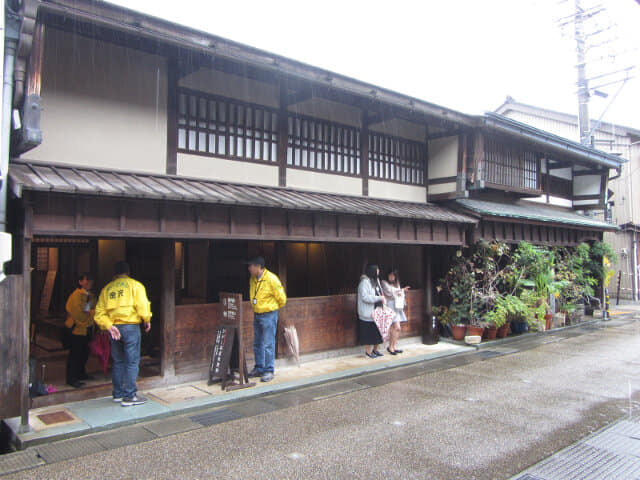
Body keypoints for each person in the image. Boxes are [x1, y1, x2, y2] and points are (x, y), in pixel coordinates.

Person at [94, 261, 152, 406]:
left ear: (115, 274)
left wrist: (108, 325)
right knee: (132, 362)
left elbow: (99, 313)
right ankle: (130, 396)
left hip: (114, 329)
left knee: (118, 362)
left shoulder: (107, 289)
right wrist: (147, 319)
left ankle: (117, 394)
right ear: (128, 272)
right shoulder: (135, 285)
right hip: (131, 327)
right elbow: (142, 305)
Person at [246, 256, 287, 383]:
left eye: (251, 266)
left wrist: (272, 309)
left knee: (269, 343)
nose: (249, 268)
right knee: (257, 343)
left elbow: (282, 299)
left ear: (258, 267)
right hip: (257, 314)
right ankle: (259, 367)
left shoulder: (271, 279)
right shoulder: (253, 279)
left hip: (269, 314)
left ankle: (269, 370)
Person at [65, 273, 96, 388]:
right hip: (77, 329)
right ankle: (72, 378)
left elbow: (95, 310)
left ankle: (81, 373)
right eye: (86, 280)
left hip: (87, 328)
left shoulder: (91, 296)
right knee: (75, 354)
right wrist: (90, 316)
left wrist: (90, 314)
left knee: (84, 352)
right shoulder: (76, 296)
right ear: (80, 282)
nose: (88, 283)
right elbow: (79, 314)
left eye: (90, 281)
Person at [357, 264, 385, 358]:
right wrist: (379, 298)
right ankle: (368, 352)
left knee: (377, 333)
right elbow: (365, 297)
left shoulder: (376, 281)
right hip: (367, 313)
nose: (378, 272)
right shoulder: (364, 282)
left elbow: (380, 292)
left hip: (377, 312)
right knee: (367, 334)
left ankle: (375, 350)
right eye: (377, 270)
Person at [382, 269, 410, 355]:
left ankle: (393, 346)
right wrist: (401, 290)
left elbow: (399, 294)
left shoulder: (397, 283)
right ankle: (391, 347)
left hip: (397, 306)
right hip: (390, 306)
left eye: (393, 275)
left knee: (396, 328)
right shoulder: (383, 282)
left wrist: (401, 291)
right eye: (390, 275)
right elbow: (389, 292)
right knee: (397, 327)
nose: (392, 277)